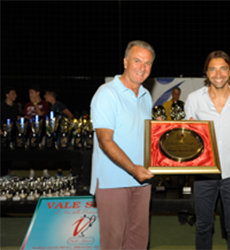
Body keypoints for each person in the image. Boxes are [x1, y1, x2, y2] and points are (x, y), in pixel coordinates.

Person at [185, 50, 230, 250]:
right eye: (213, 69)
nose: (218, 74)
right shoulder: (194, 99)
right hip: (203, 174)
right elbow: (186, 137)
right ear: (206, 72)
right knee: (203, 227)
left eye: (223, 68)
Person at [90, 40, 155, 249]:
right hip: (113, 180)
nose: (142, 68)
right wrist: (132, 168)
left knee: (138, 240)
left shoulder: (146, 96)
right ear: (125, 62)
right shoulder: (107, 94)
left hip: (142, 179)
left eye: (147, 63)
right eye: (137, 61)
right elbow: (105, 141)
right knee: (113, 241)